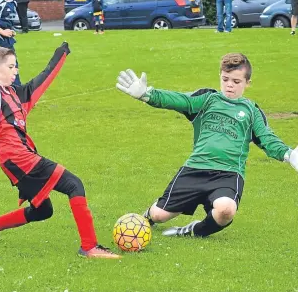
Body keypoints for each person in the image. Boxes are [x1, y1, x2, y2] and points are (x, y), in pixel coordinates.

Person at [116, 54, 298, 239]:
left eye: (236, 81)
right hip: (195, 168)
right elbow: (179, 100)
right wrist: (147, 95)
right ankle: (147, 217)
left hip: (228, 173)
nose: (229, 85)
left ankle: (193, 230)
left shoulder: (251, 111)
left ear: (247, 83)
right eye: (225, 79)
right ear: (220, 76)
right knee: (159, 215)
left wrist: (288, 154)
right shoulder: (207, 99)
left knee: (226, 210)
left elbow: (267, 138)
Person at [0, 43, 120, 259]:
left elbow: (43, 79)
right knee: (74, 184)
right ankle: (89, 247)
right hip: (18, 159)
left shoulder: (15, 93)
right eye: (11, 66)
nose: (16, 71)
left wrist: (60, 54)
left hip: (18, 160)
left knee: (43, 211)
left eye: (16, 66)